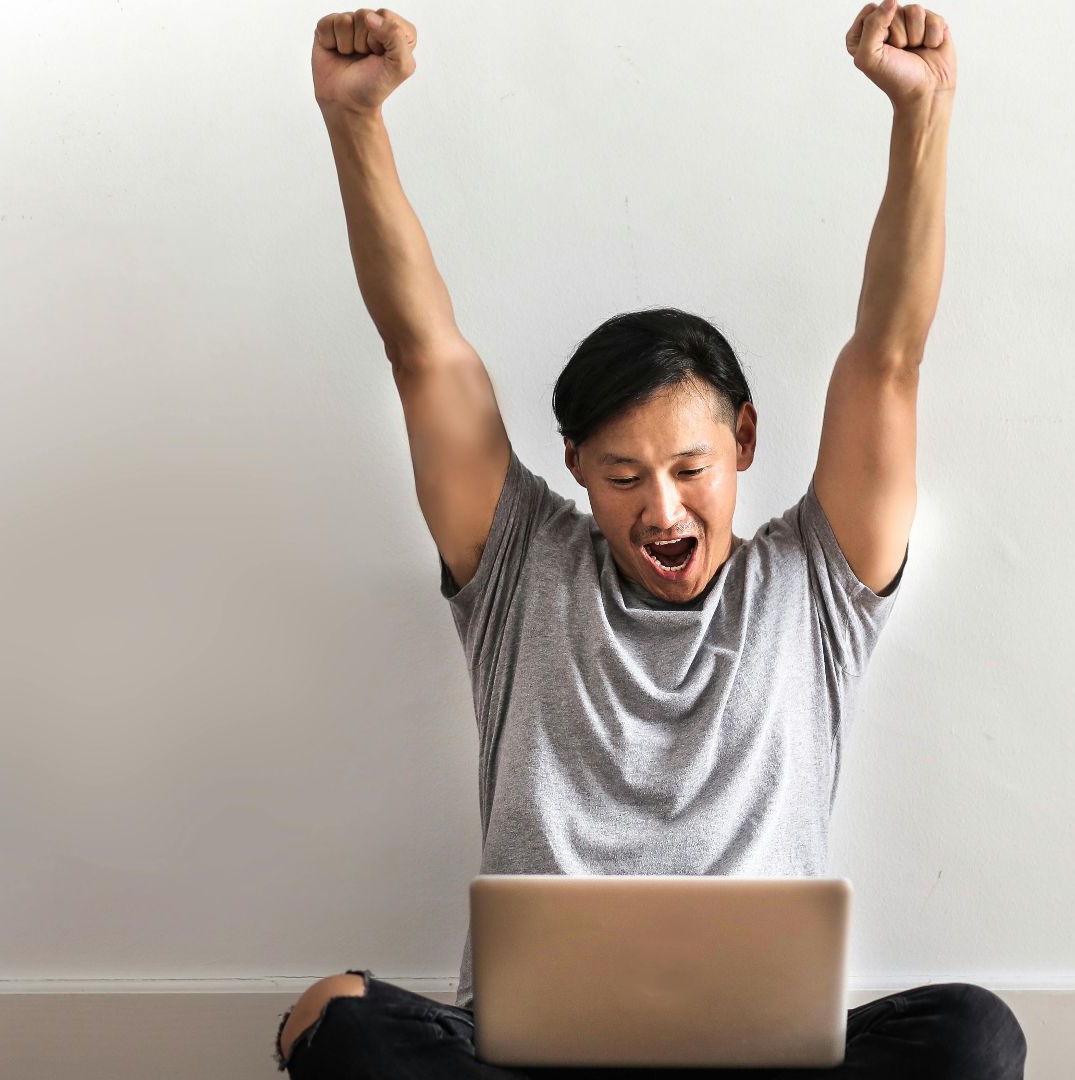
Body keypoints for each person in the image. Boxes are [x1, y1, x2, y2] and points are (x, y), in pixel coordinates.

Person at [282, 2, 1023, 1076]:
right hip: (530, 1059)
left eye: (690, 471)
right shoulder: (520, 569)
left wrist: (926, 112)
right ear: (575, 464)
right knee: (335, 1017)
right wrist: (355, 121)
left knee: (971, 1032)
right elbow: (422, 352)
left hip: (761, 1060)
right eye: (624, 477)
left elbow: (892, 357)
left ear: (747, 443)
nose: (663, 513)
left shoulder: (813, 583)